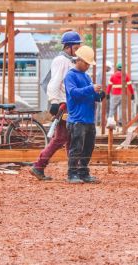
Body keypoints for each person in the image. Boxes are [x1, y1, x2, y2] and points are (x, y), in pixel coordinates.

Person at [30, 31, 82, 181]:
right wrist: (54, 101)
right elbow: (54, 82)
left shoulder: (70, 61)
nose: (78, 50)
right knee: (61, 138)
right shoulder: (61, 60)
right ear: (68, 47)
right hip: (62, 103)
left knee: (70, 137)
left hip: (69, 104)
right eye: (76, 47)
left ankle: (74, 169)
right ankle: (39, 165)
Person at [64, 46, 105, 184]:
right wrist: (90, 88)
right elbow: (74, 93)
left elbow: (91, 96)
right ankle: (72, 174)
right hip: (77, 120)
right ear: (79, 60)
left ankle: (83, 172)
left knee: (88, 147)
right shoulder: (70, 76)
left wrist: (99, 94)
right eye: (86, 63)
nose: (88, 66)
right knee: (76, 147)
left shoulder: (87, 77)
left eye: (89, 64)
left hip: (88, 119)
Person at [106, 62, 134, 127]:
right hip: (124, 95)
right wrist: (132, 94)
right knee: (122, 109)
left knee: (112, 108)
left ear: (117, 68)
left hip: (115, 95)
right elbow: (130, 86)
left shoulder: (113, 76)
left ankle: (110, 122)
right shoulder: (126, 76)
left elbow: (109, 86)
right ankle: (121, 122)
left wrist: (107, 93)